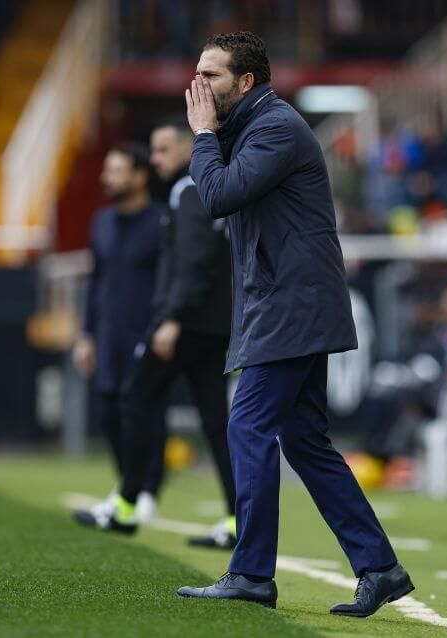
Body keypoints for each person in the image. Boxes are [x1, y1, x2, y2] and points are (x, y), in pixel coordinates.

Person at [175, 32, 413, 616]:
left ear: (247, 82)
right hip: (286, 302)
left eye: (213, 76)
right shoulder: (255, 128)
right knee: (304, 440)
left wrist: (204, 136)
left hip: (291, 305)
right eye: (197, 73)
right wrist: (211, 134)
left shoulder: (276, 128)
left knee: (248, 425)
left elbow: (219, 194)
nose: (199, 86)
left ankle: (252, 574)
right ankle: (379, 567)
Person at [74, 118, 237, 549]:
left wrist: (172, 317)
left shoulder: (189, 189)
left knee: (138, 399)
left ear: (187, 148)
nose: (157, 159)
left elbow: (194, 262)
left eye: (164, 150)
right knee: (216, 422)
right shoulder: (207, 188)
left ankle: (129, 502)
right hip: (211, 323)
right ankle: (238, 519)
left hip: (188, 323)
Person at [71, 143, 167, 521]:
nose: (106, 177)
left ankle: (148, 489)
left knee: (146, 411)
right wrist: (86, 334)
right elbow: (95, 282)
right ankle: (127, 482)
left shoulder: (162, 222)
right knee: (110, 411)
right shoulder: (102, 222)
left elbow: (167, 282)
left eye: (116, 170)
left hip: (146, 332)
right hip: (109, 333)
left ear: (139, 176)